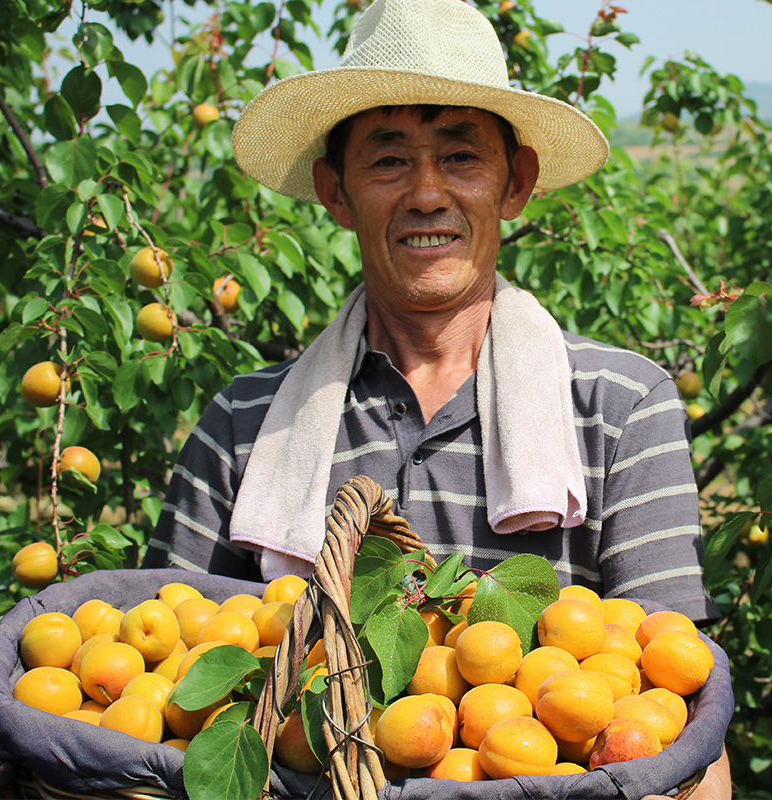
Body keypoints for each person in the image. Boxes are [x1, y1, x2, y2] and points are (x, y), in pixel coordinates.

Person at [144, 0, 730, 794]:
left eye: (461, 157)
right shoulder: (245, 428)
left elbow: (679, 705)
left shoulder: (621, 409)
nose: (426, 194)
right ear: (335, 192)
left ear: (515, 184)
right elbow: (168, 679)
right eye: (388, 160)